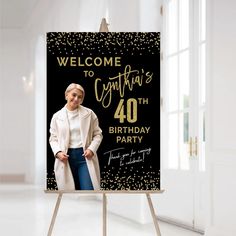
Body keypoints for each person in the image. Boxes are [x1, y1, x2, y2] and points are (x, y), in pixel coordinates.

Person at [49, 83, 103, 190]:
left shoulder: (89, 114)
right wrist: (58, 152)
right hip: (65, 158)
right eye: (73, 95)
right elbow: (53, 138)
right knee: (69, 195)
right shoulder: (56, 116)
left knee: (88, 191)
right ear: (66, 95)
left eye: (80, 97)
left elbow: (98, 134)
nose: (76, 99)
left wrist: (91, 149)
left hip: (84, 157)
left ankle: (89, 207)